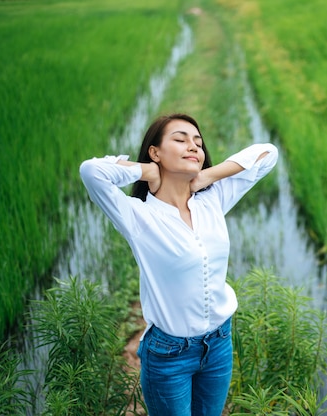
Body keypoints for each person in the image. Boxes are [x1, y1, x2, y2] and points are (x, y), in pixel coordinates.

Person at [80, 113, 278, 416]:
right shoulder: (138, 217)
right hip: (169, 354)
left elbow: (267, 154)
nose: (193, 146)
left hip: (219, 344)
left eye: (198, 142)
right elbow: (92, 171)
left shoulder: (213, 200)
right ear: (155, 151)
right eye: (180, 139)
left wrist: (209, 176)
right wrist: (147, 171)